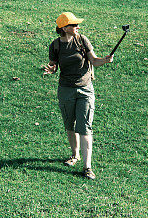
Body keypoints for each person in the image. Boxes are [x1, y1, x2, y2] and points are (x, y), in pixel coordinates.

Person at [43, 12, 113, 180]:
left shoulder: (82, 40)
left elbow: (94, 60)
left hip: (85, 89)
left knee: (85, 127)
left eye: (76, 25)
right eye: (73, 25)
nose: (77, 27)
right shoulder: (55, 45)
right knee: (70, 124)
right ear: (63, 28)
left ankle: (87, 167)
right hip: (66, 89)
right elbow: (53, 66)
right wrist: (52, 69)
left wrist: (105, 60)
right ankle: (75, 156)